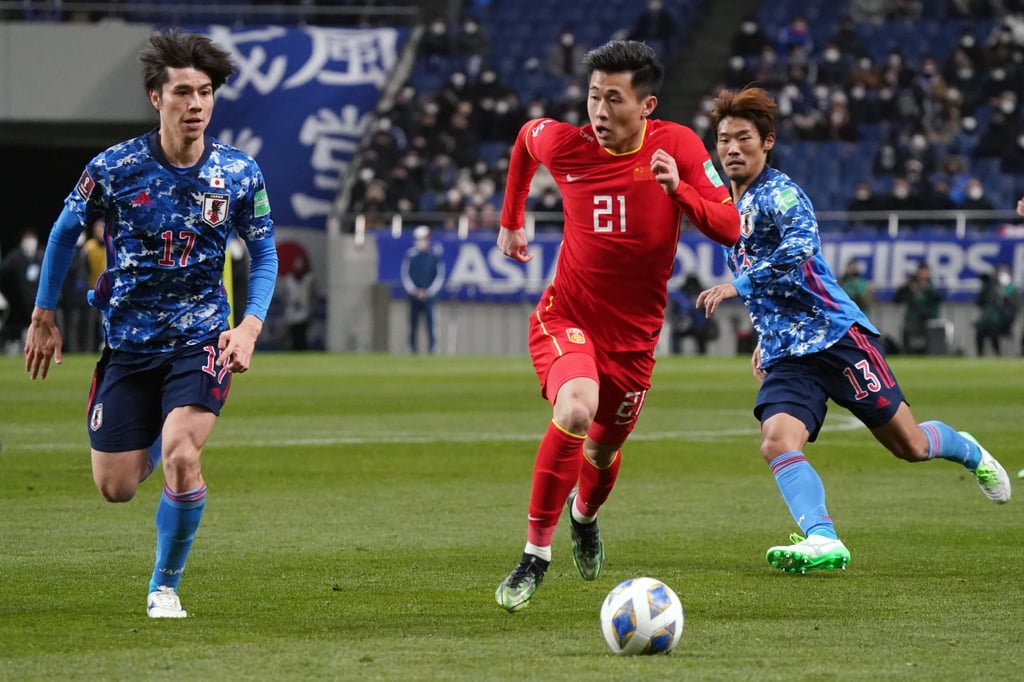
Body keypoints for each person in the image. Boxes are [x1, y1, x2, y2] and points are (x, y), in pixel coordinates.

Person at [694, 86, 1010, 576]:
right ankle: (823, 538)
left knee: (910, 446)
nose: (732, 149)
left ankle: (966, 448)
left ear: (767, 142)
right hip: (788, 354)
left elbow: (800, 250)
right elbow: (765, 279)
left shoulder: (781, 194)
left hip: (838, 339)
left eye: (743, 139)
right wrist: (765, 333)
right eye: (724, 140)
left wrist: (738, 286)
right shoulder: (726, 210)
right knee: (777, 440)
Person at [23, 29, 278, 618]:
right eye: (183, 92)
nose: (196, 105)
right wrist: (43, 314)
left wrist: (249, 328)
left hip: (202, 339)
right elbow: (65, 231)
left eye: (206, 92)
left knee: (183, 453)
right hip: (130, 343)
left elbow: (263, 252)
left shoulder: (239, 174)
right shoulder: (115, 168)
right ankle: (146, 424)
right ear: (155, 98)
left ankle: (164, 586)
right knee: (116, 487)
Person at [494, 40, 739, 612]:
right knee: (575, 407)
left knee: (601, 454)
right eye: (592, 96)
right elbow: (526, 138)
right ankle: (534, 554)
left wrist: (680, 190)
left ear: (647, 104)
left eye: (613, 99)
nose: (598, 111)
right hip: (568, 317)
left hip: (634, 342)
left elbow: (730, 225)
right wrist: (512, 221)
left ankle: (585, 515)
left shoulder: (677, 145)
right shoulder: (568, 144)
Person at [401, 225, 444, 354]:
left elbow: (439, 276)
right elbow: (405, 275)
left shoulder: (434, 256)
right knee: (413, 323)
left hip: (429, 297)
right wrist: (415, 291)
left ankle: (432, 347)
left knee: (431, 323)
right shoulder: (411, 256)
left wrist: (428, 292)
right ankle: (412, 347)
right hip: (414, 296)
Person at [0, 229, 43, 354]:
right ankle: (21, 345)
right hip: (20, 301)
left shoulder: (41, 255)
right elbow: (4, 270)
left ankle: (39, 346)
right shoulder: (16, 256)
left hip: (38, 299)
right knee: (23, 325)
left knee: (38, 325)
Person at [893, 262, 943, 354]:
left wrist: (927, 289)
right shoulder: (911, 287)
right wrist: (903, 286)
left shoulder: (933, 287)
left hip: (929, 319)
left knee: (932, 339)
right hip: (913, 319)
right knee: (907, 333)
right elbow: (897, 300)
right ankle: (907, 352)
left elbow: (940, 299)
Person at [974, 264, 1018, 356]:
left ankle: (998, 354)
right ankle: (980, 354)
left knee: (993, 330)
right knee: (980, 332)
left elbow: (1013, 307)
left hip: (1002, 320)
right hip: (988, 319)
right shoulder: (991, 287)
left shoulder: (1010, 289)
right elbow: (980, 302)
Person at [280, 252, 314, 351]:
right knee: (292, 337)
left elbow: (313, 296)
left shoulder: (309, 279)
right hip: (291, 312)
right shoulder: (288, 279)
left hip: (305, 312)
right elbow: (284, 295)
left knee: (302, 337)